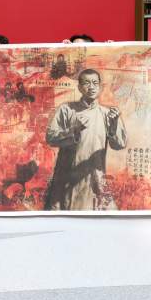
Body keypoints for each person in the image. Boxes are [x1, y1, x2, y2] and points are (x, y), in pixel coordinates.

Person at [45, 68, 127, 210]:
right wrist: (74, 131)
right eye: (86, 83)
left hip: (95, 177)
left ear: (100, 87)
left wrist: (114, 125)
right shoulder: (67, 109)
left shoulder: (108, 114)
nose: (91, 87)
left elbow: (119, 145)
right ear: (79, 87)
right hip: (68, 179)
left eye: (95, 83)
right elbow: (51, 138)